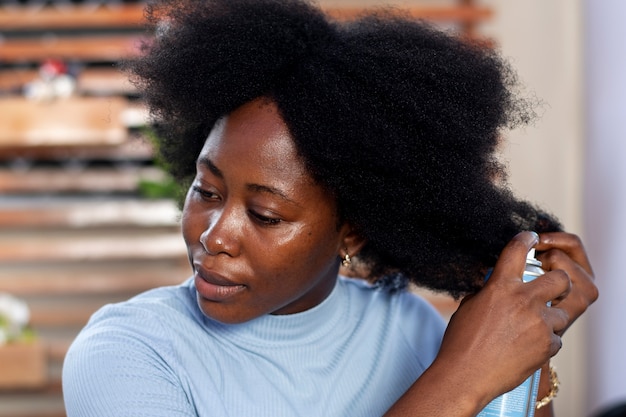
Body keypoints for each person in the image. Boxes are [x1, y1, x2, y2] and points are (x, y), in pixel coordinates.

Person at [62, 1, 598, 416]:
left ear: (354, 232)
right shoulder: (128, 351)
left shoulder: (407, 329)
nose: (214, 237)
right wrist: (461, 378)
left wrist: (528, 357)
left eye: (266, 215)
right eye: (207, 191)